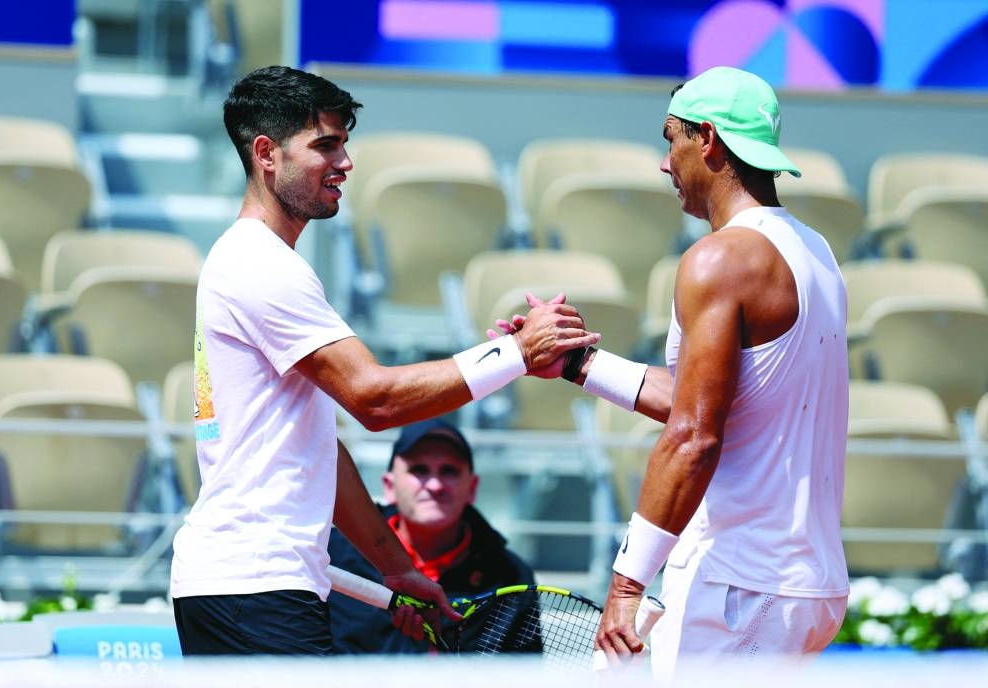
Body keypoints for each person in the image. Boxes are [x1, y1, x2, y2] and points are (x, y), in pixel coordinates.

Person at [169, 65, 600, 656]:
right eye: (325, 145)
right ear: (266, 154)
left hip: (255, 587)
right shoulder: (260, 265)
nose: (345, 162)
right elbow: (375, 399)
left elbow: (321, 453)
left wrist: (396, 569)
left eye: (344, 144)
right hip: (256, 590)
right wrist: (518, 353)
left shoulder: (256, 261)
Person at [498, 66, 850, 679]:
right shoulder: (815, 251)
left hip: (742, 582)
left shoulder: (719, 260)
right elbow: (711, 401)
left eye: (671, 137)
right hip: (803, 582)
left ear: (707, 140)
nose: (666, 161)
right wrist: (578, 363)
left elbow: (694, 433)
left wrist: (627, 584)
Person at [327, 417, 540, 654]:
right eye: (419, 470)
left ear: (472, 488)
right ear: (389, 486)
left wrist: (439, 649)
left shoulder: (510, 574)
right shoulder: (332, 554)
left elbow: (523, 673)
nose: (435, 485)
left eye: (449, 470)